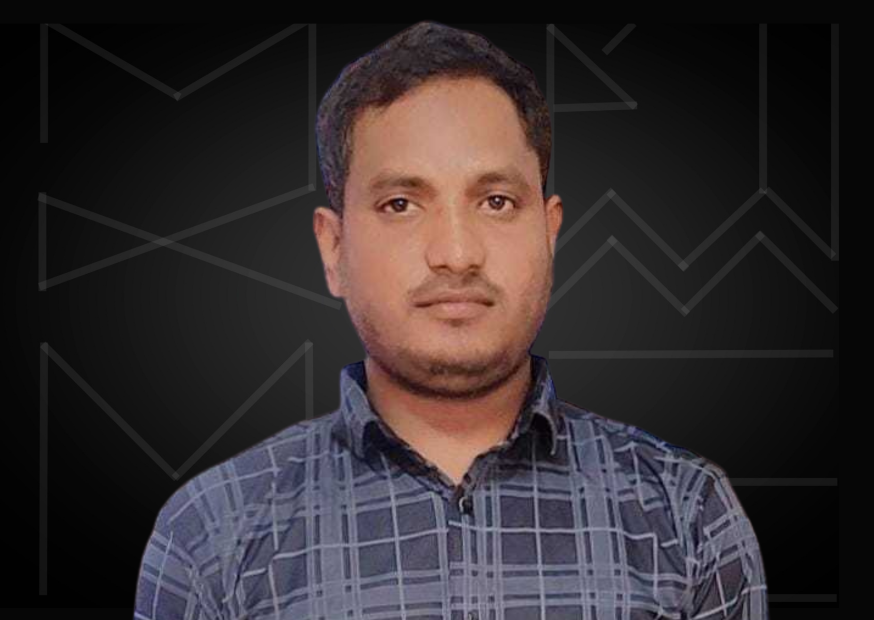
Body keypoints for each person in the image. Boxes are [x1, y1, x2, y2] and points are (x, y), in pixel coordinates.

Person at [134, 21, 769, 619]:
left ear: (549, 234)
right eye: (401, 203)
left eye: (496, 201)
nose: (457, 253)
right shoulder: (213, 533)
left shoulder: (687, 514)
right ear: (334, 249)